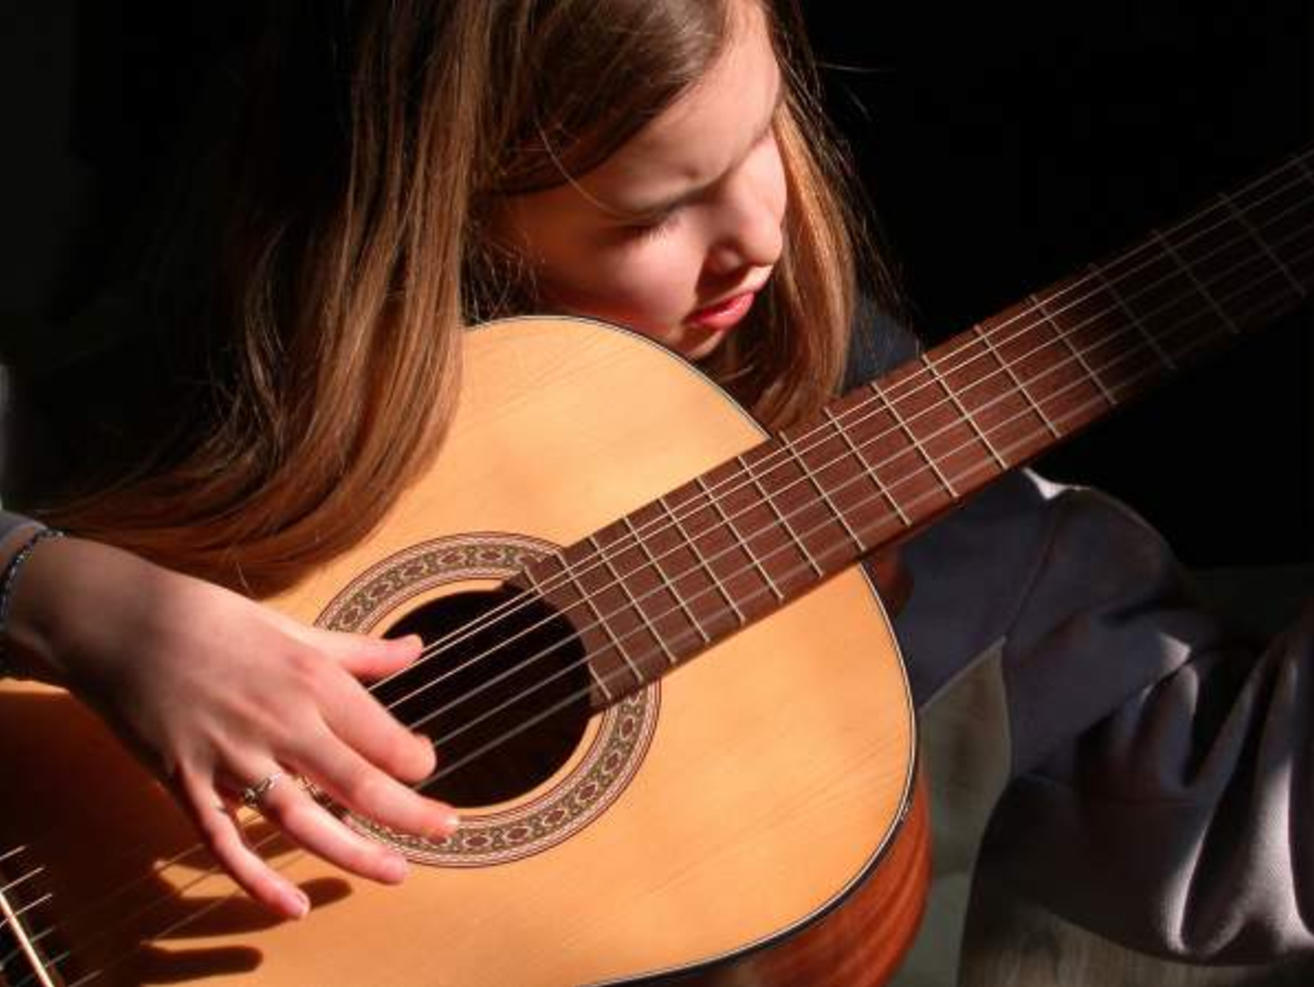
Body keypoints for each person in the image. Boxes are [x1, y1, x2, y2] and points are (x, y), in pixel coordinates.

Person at [0, 0, 1310, 979]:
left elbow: (1217, 831)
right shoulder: (208, 357)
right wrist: (71, 598)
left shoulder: (871, 435)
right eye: (650, 215)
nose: (756, 229)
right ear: (449, 205)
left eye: (761, 135)